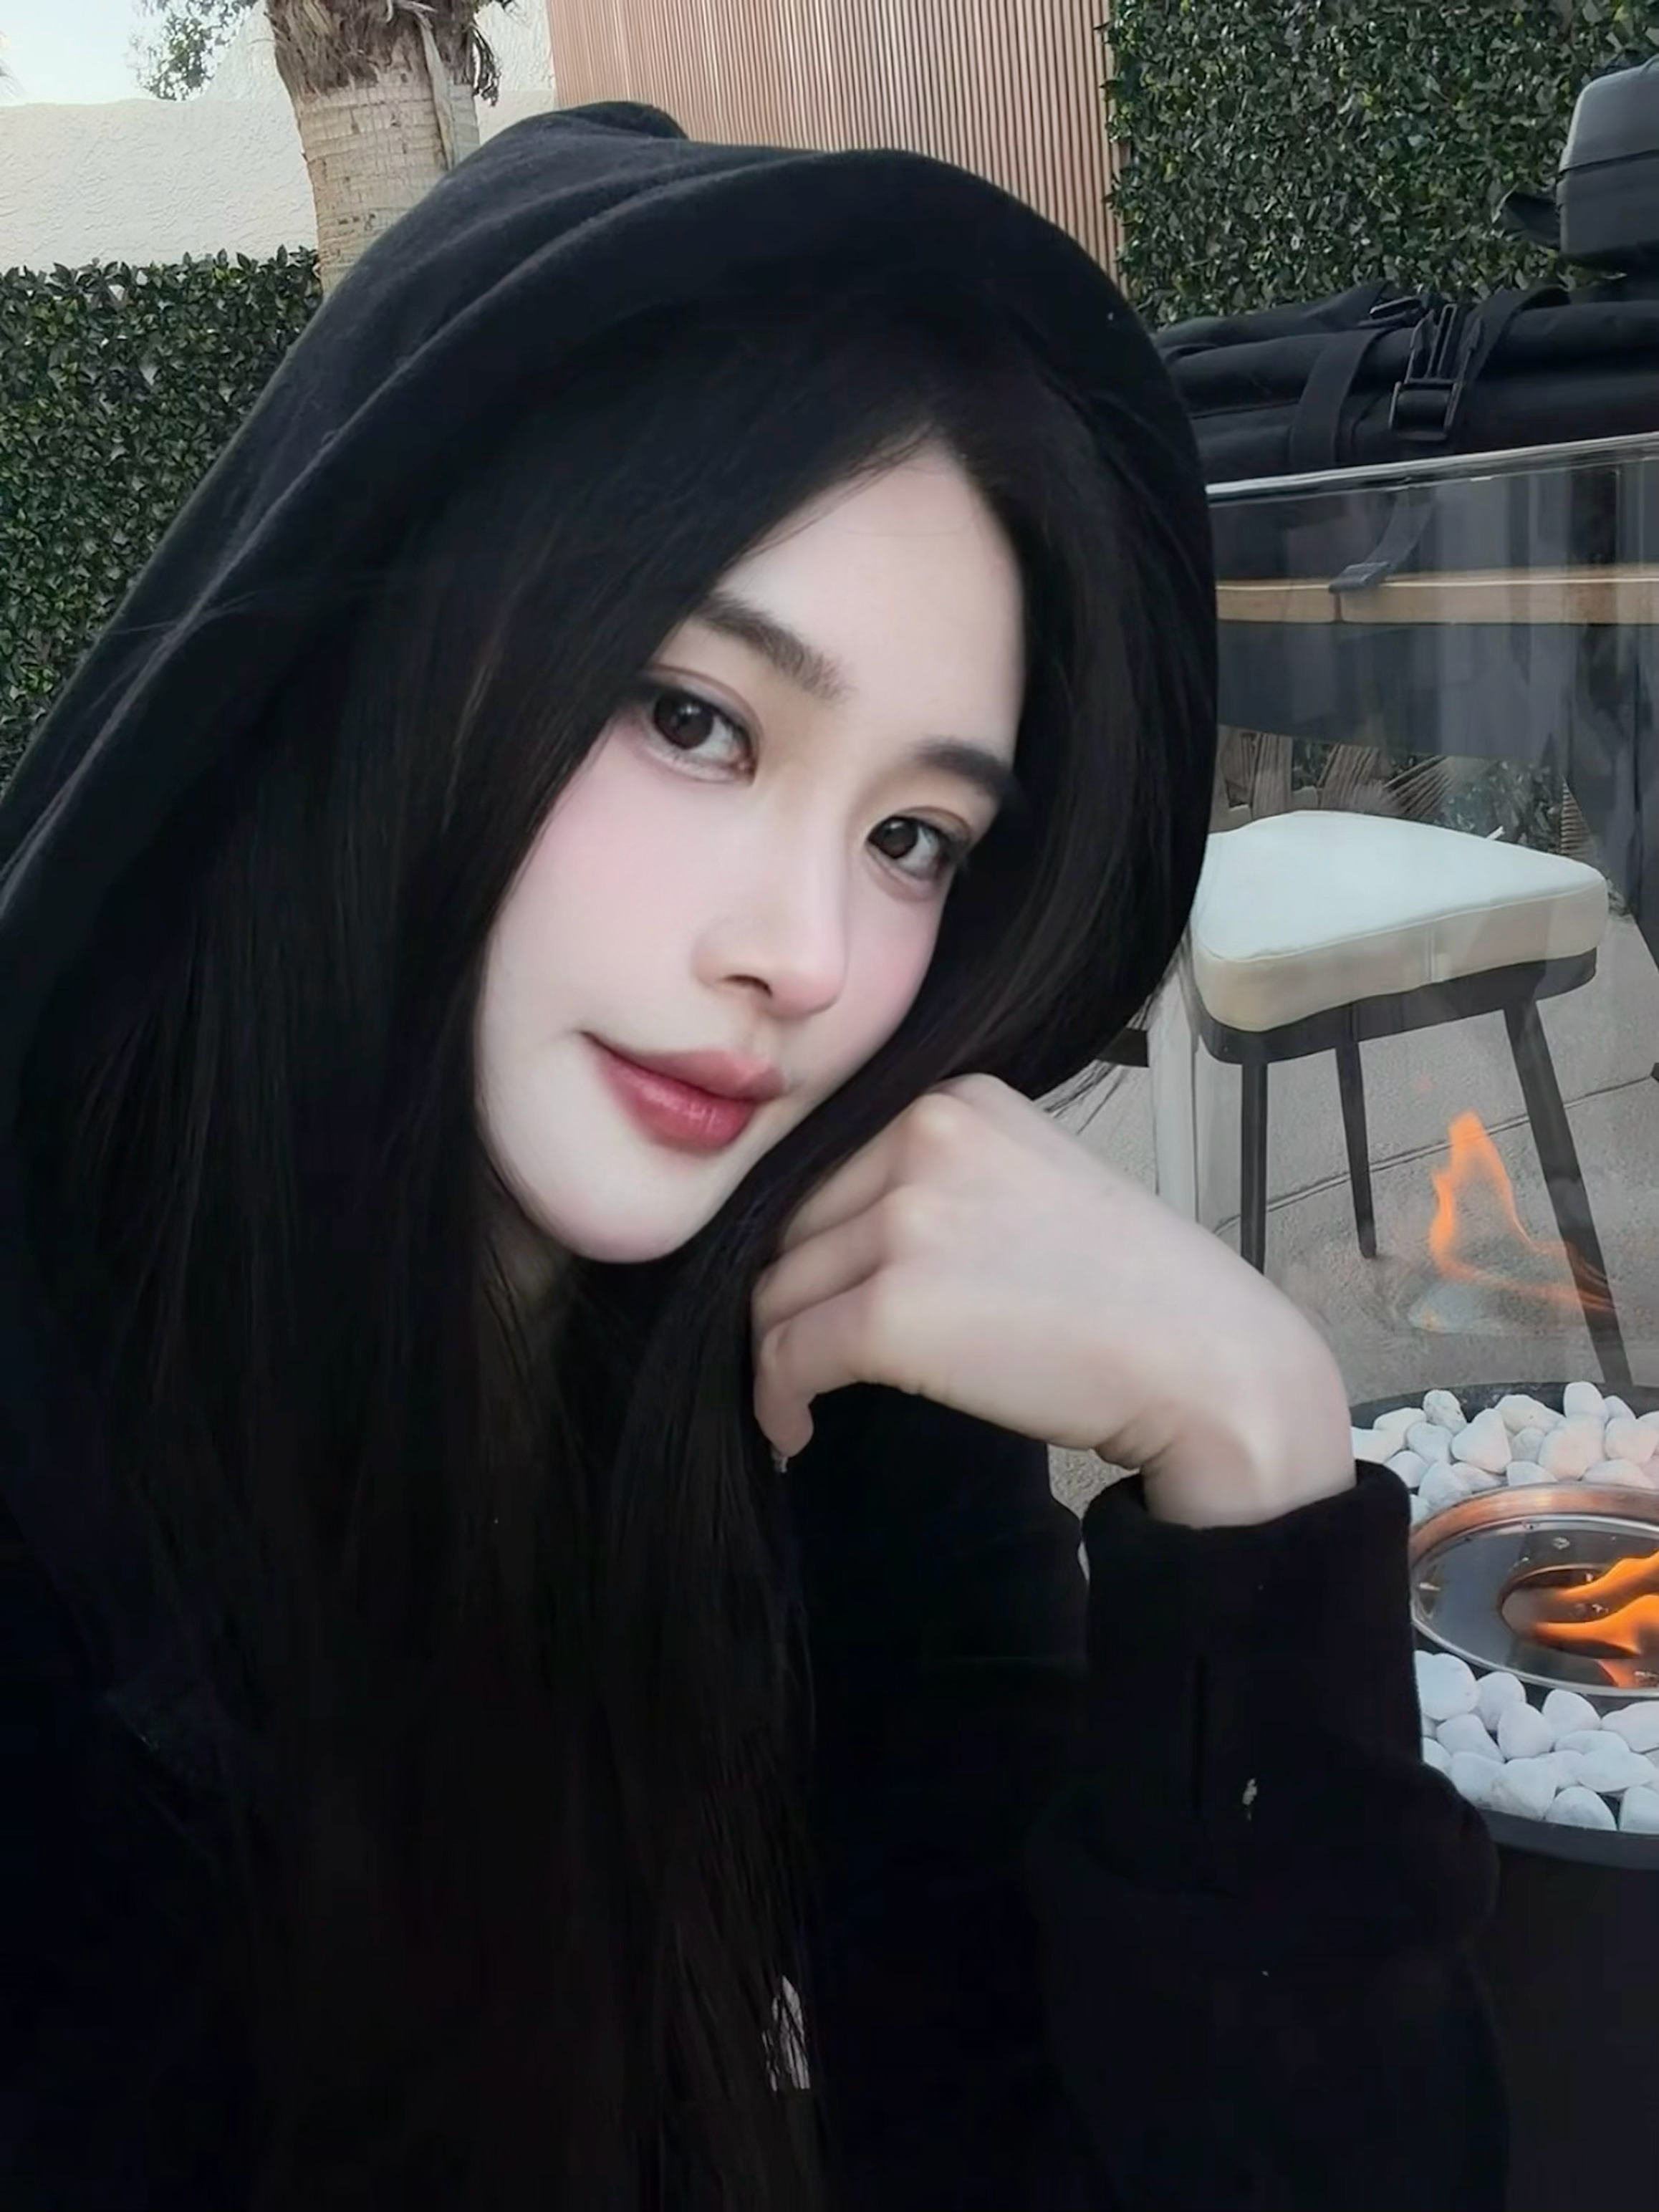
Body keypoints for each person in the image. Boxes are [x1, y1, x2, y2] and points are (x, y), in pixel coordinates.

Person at [0, 102, 1506, 2211]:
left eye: (913, 837)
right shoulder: (59, 1508)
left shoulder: (837, 1391)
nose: (801, 956)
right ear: (389, 660)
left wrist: (1254, 1462)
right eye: (694, 719)